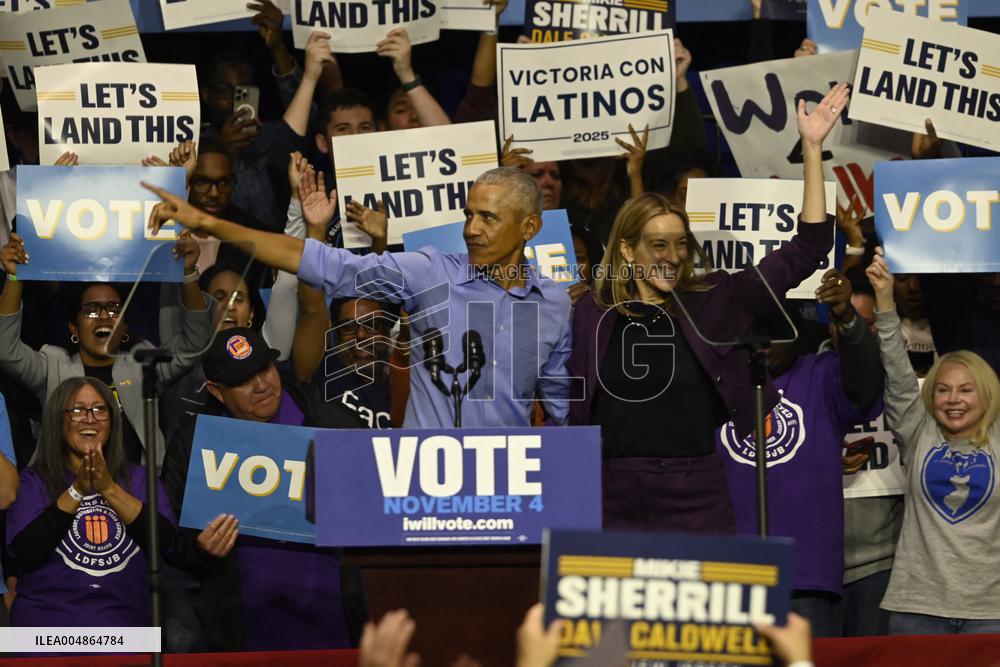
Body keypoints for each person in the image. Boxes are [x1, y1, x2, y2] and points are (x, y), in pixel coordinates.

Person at [567, 83, 849, 532]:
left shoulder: (716, 299)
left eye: (681, 244)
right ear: (627, 249)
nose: (672, 256)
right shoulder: (591, 313)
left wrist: (812, 148)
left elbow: (809, 246)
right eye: (657, 244)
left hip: (693, 491)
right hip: (608, 491)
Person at [145, 167, 572, 428]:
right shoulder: (432, 272)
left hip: (512, 484)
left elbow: (560, 409)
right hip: (427, 484)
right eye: (468, 214)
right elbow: (318, 261)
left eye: (488, 218)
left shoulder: (554, 303)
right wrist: (210, 224)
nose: (471, 229)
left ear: (530, 227)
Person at [162, 327, 367, 651]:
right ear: (216, 391)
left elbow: (373, 510)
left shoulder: (331, 425)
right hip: (241, 632)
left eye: (264, 369)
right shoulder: (195, 444)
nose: (261, 385)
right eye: (243, 380)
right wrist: (200, 549)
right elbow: (169, 541)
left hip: (334, 619)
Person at [717, 270, 883, 637]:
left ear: (795, 327)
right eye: (751, 326)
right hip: (725, 575)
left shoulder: (820, 376)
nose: (763, 338)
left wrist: (846, 318)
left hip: (805, 578)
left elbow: (865, 380)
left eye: (775, 326)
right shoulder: (713, 380)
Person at [867, 247, 1000, 635]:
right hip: (916, 608)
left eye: (965, 390)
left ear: (987, 395)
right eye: (943, 389)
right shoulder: (918, 430)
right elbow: (895, 366)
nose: (953, 399)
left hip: (991, 612)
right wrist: (884, 299)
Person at [0, 234, 214, 468]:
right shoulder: (52, 365)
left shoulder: (144, 365)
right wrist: (13, 276)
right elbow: (6, 348)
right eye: (91, 309)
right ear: (74, 327)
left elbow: (196, 342)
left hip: (135, 492)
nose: (103, 316)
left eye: (114, 310)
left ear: (125, 327)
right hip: (64, 491)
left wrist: (187, 273)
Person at [6, 377, 175, 627]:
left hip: (124, 630)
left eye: (100, 409)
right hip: (45, 635)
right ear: (57, 420)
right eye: (77, 410)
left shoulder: (141, 479)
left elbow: (165, 542)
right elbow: (27, 551)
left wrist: (108, 488)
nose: (90, 418)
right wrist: (77, 489)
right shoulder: (33, 481)